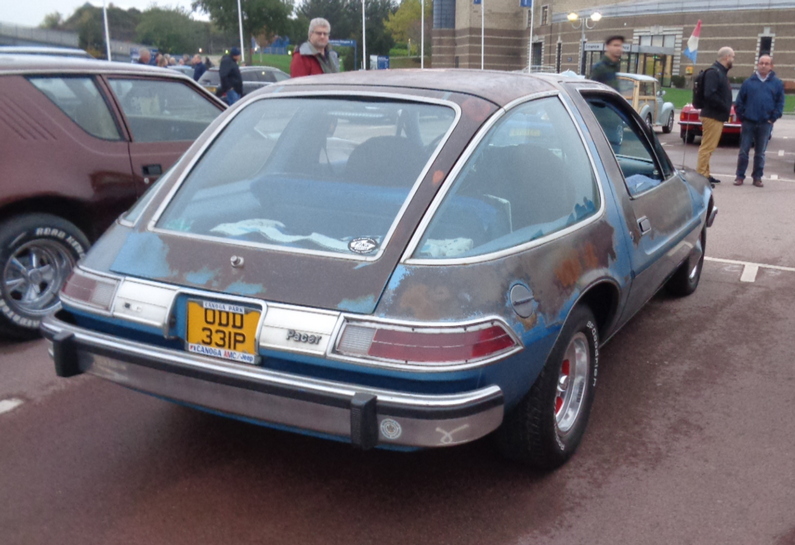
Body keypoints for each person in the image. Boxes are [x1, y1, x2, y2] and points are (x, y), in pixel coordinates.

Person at [733, 55, 784, 188]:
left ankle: (757, 177)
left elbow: (780, 103)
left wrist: (772, 118)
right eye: (761, 63)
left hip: (765, 123)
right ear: (757, 65)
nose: (763, 66)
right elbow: (739, 102)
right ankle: (739, 176)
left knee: (760, 153)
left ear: (771, 66)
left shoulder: (777, 84)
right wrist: (743, 117)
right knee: (743, 151)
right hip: (749, 122)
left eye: (766, 63)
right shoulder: (748, 82)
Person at [697, 46, 735, 186]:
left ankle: (705, 173)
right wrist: (724, 106)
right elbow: (709, 94)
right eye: (732, 57)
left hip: (716, 116)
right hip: (712, 115)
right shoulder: (714, 72)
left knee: (709, 147)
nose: (733, 60)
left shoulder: (720, 72)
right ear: (727, 57)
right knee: (707, 147)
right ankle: (701, 176)